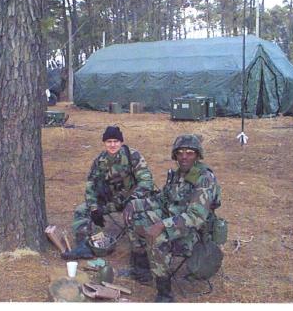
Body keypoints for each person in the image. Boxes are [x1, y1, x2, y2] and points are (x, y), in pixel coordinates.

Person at [123, 134, 222, 302]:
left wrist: (162, 224)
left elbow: (196, 217)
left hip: (194, 232)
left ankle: (164, 293)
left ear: (198, 155)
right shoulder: (177, 175)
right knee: (136, 220)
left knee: (157, 237)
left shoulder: (204, 179)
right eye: (180, 152)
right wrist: (135, 205)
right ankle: (143, 271)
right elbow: (162, 199)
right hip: (173, 220)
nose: (184, 157)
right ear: (175, 155)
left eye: (190, 152)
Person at [66, 126, 155, 283]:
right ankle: (83, 246)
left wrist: (133, 199)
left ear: (121, 142)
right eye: (109, 141)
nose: (112, 145)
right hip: (112, 201)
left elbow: (146, 181)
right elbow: (90, 185)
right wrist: (94, 208)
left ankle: (140, 263)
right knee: (82, 210)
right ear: (104, 143)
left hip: (133, 201)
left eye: (116, 141)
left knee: (139, 219)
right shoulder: (100, 160)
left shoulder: (133, 156)